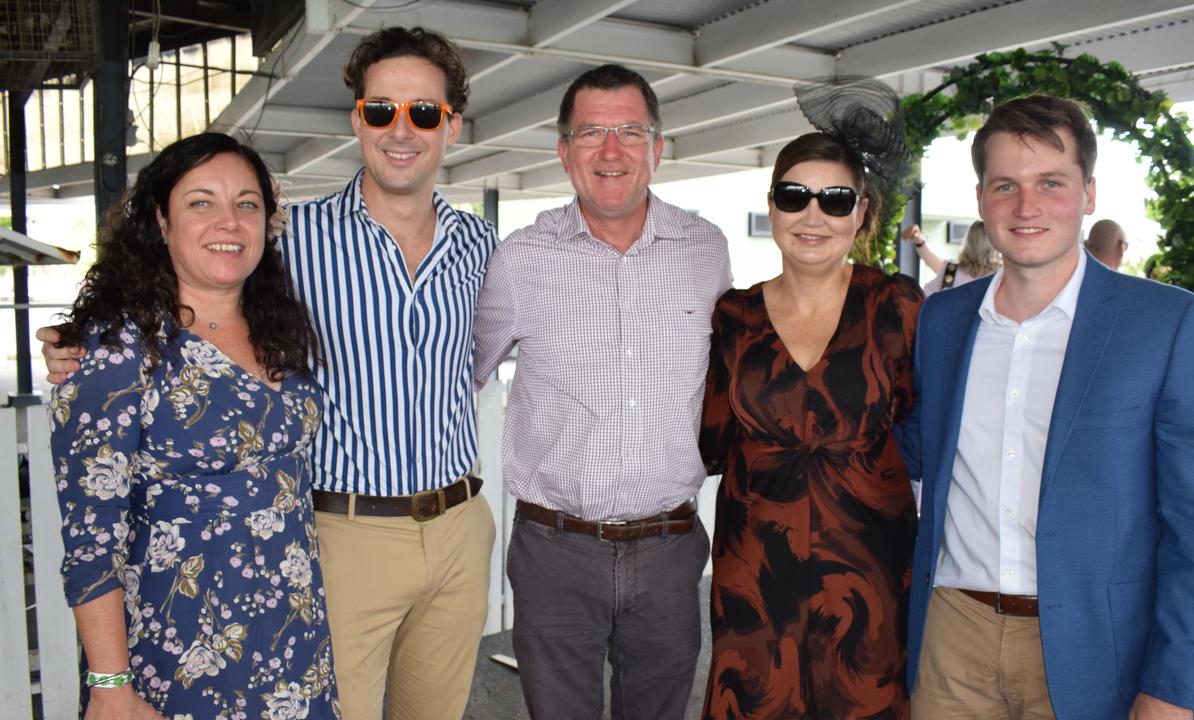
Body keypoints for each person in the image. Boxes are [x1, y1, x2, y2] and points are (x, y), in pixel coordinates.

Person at [41, 27, 497, 720]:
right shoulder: (290, 238)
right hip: (344, 536)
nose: (401, 129)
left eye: (424, 112)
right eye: (382, 110)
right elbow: (195, 270)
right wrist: (81, 343)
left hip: (461, 525)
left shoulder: (479, 244)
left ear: (451, 125)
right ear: (358, 118)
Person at [897, 95, 1194, 719]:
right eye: (1006, 185)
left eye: (1050, 183)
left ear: (1088, 194)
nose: (1026, 207)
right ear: (981, 199)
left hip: (1098, 648)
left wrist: (1173, 686)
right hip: (952, 637)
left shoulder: (1166, 323)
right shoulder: (943, 320)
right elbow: (914, 446)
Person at [49, 132, 338, 719]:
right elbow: (90, 539)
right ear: (161, 221)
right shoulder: (120, 350)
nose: (227, 222)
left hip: (292, 643)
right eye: (201, 202)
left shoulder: (280, 331)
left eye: (246, 204)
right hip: (177, 654)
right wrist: (110, 686)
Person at [473, 63, 731, 719]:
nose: (611, 151)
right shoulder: (521, 259)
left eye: (629, 131)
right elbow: (456, 373)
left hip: (672, 550)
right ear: (564, 152)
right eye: (591, 133)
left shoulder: (706, 251)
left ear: (657, 147)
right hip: (555, 552)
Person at [699, 78, 921, 720]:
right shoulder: (733, 317)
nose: (813, 215)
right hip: (753, 579)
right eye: (795, 196)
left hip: (871, 577)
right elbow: (712, 441)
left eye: (835, 199)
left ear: (861, 212)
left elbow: (922, 424)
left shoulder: (898, 309)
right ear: (772, 207)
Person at [903, 221, 1000, 295]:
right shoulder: (1003, 276)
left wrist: (918, 240)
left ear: (968, 241)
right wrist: (918, 240)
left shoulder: (951, 271)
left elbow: (925, 301)